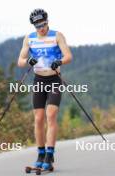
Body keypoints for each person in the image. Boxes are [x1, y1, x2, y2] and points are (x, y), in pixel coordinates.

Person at [17, 8, 72, 170]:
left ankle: (50, 153)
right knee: (39, 118)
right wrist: (28, 61)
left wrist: (60, 62)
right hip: (39, 80)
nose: (41, 28)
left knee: (51, 115)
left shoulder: (57, 35)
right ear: (34, 25)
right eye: (38, 25)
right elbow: (20, 60)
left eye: (43, 24)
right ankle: (41, 153)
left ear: (47, 22)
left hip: (54, 79)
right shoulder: (29, 38)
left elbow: (68, 56)